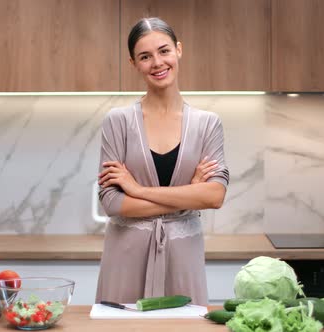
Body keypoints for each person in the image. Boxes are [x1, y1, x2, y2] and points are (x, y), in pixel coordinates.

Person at [95, 17, 229, 306]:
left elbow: (215, 195)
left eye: (164, 51)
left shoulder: (208, 124)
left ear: (178, 50)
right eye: (145, 56)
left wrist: (138, 190)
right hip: (125, 254)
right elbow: (111, 203)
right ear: (134, 63)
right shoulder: (117, 122)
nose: (157, 62)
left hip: (183, 255)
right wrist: (189, 196)